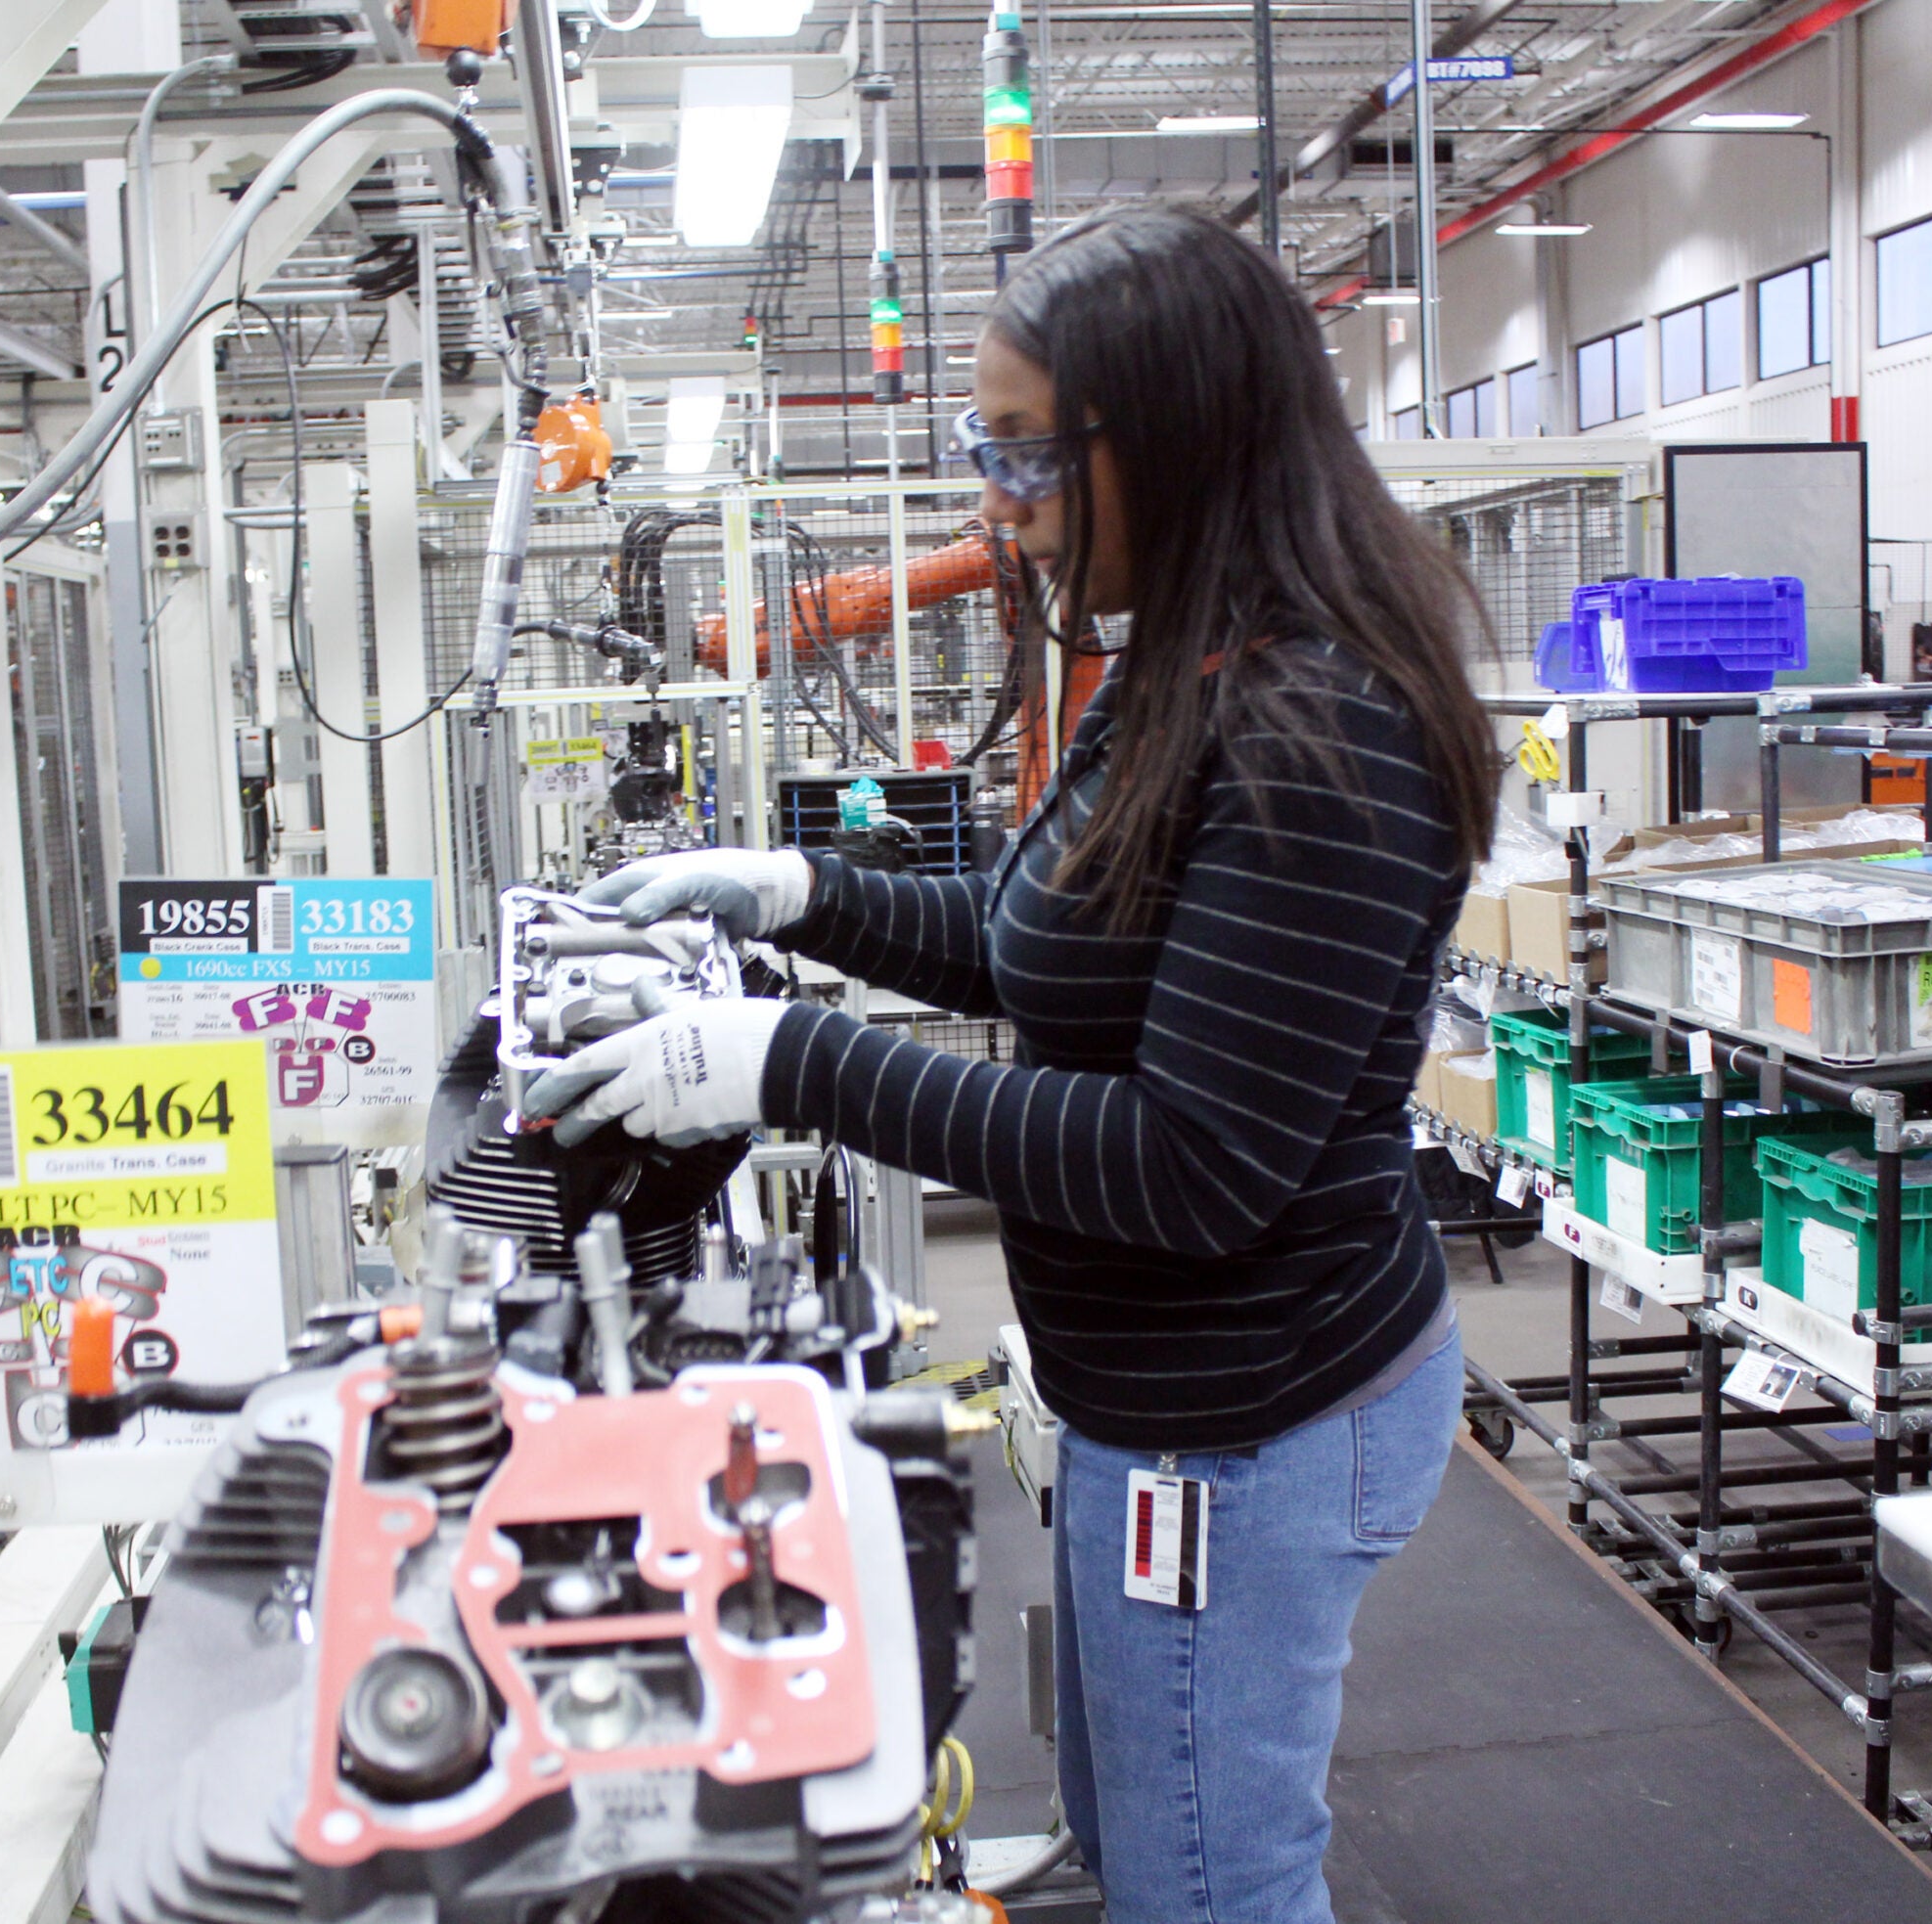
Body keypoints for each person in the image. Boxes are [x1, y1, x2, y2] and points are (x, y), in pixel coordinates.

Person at [521, 208, 1499, 1924]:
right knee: (1147, 1856)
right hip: (1153, 1400)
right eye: (987, 446)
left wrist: (787, 1059)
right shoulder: (1179, 660)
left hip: (1252, 1419)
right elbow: (1045, 935)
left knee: (1215, 1890)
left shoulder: (1319, 729)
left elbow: (1189, 1165)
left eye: (1028, 449)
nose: (997, 500)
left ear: (1176, 436)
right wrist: (802, 892)